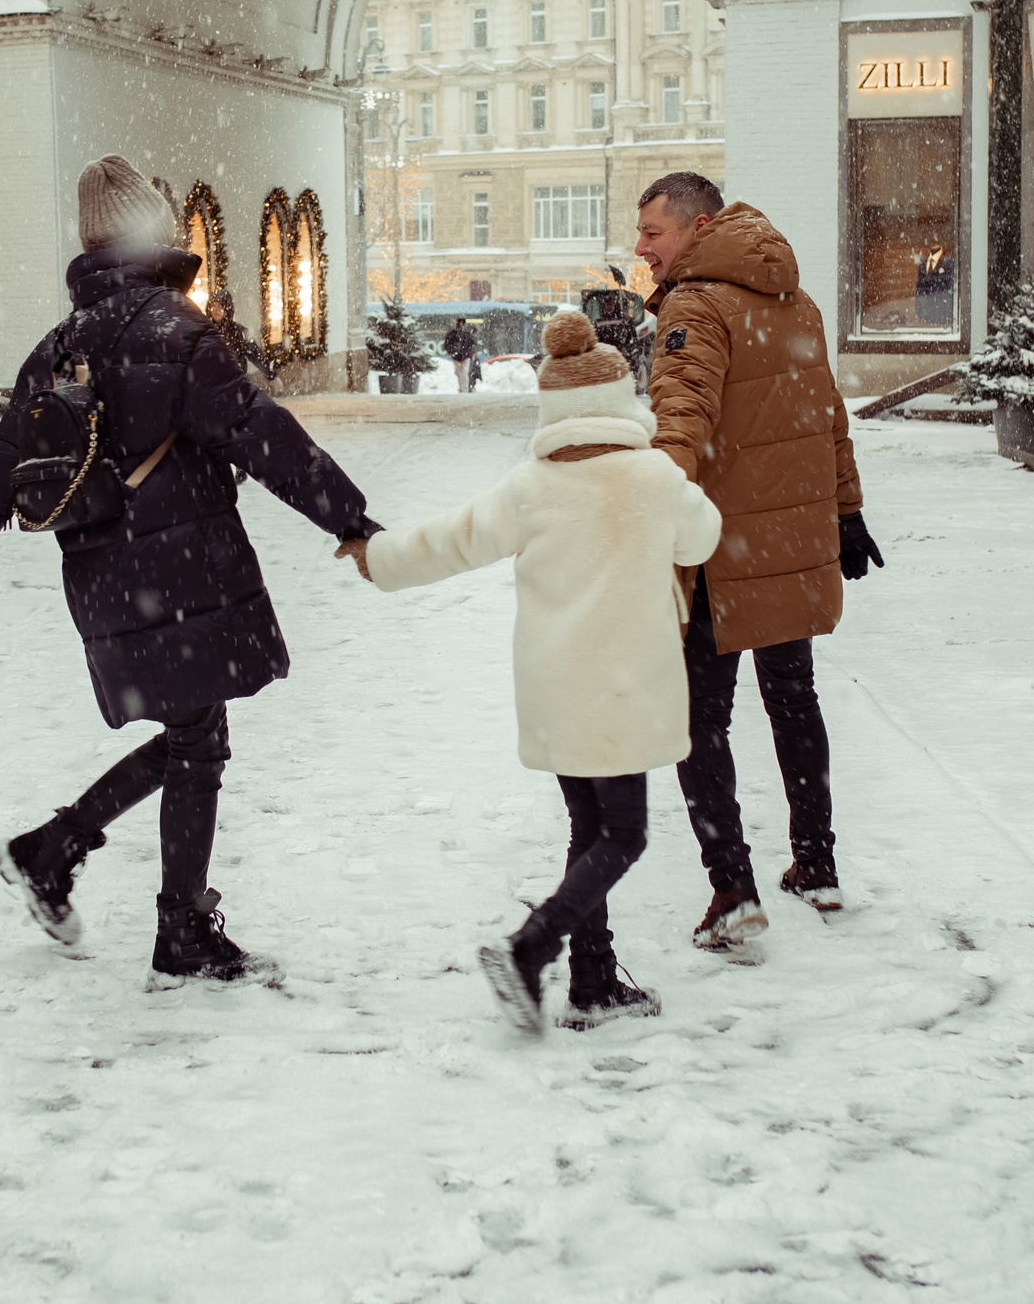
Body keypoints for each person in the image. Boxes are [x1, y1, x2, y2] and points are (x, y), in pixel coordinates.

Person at [0, 155, 378, 987]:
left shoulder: (60, 346)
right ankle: (171, 925)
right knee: (197, 738)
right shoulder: (177, 332)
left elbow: (1, 457)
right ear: (152, 232)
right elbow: (259, 433)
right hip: (180, 566)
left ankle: (57, 852)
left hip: (103, 572)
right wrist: (347, 516)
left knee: (191, 732)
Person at [349, 310, 722, 1034]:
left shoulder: (532, 486)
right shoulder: (652, 474)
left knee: (589, 828)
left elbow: (451, 540)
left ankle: (593, 981)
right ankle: (531, 948)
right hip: (623, 689)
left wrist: (379, 555)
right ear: (623, 397)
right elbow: (702, 533)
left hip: (557, 692)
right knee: (625, 835)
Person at [635, 172, 884, 948]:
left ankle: (733, 888)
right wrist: (847, 510)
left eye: (653, 233)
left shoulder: (695, 305)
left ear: (699, 224)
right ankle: (816, 863)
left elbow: (681, 419)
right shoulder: (791, 297)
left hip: (720, 552)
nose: (640, 249)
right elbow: (828, 414)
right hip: (787, 542)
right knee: (793, 698)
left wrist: (648, 518)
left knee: (696, 721)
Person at [204, 288, 268, 378]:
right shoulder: (205, 331)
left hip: (234, 383)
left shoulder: (237, 331)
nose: (216, 310)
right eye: (213, 306)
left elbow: (255, 354)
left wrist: (271, 375)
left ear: (227, 308)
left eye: (220, 306)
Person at [442, 317, 481, 393]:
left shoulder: (466, 333)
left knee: (464, 372)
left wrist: (471, 352)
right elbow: (447, 344)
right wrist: (452, 351)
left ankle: (464, 388)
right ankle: (462, 387)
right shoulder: (453, 333)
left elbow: (472, 343)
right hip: (457, 356)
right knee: (459, 372)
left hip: (465, 355)